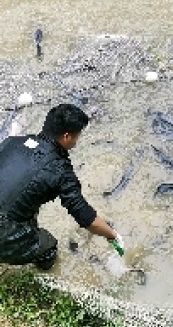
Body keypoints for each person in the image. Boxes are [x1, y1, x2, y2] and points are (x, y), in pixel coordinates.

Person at [0, 103, 124, 270]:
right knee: (48, 246)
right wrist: (113, 236)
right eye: (77, 136)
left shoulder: (12, 142)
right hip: (3, 232)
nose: (76, 141)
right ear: (66, 136)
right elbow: (85, 217)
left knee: (24, 202)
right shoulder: (60, 170)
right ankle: (44, 271)